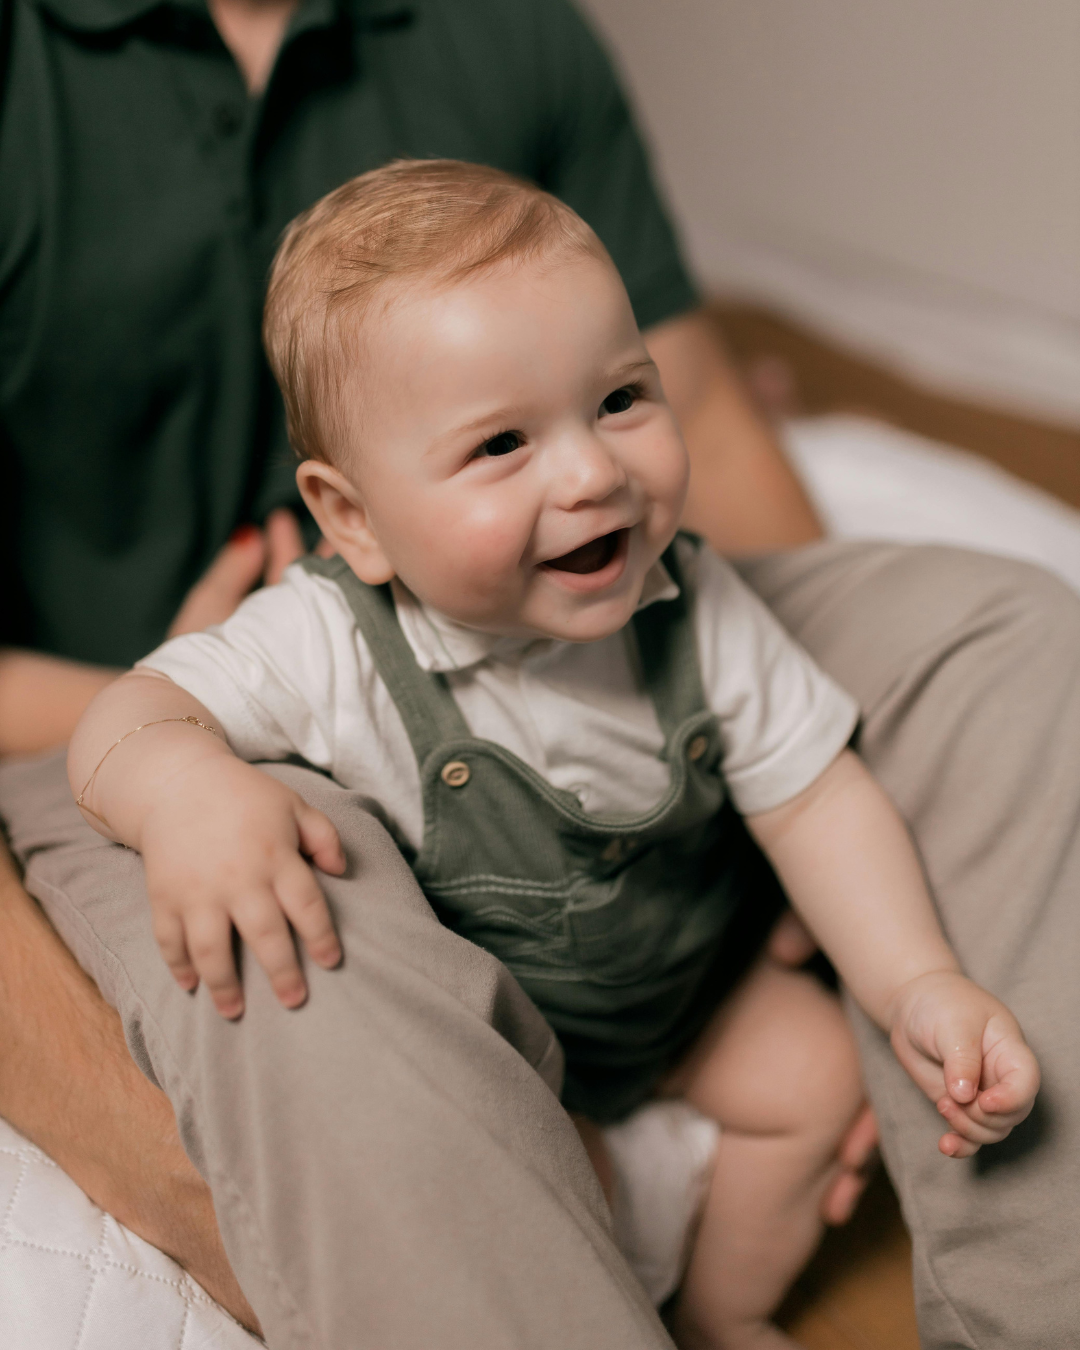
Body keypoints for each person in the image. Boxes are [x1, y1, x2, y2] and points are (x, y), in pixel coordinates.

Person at [0, 0, 1077, 1346]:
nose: (592, 471)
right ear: (347, 518)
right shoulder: (323, 641)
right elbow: (137, 719)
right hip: (223, 745)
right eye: (505, 441)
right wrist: (179, 783)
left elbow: (810, 780)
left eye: (619, 403)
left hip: (656, 968)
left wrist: (906, 973)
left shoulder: (686, 591)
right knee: (285, 918)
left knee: (1010, 629)